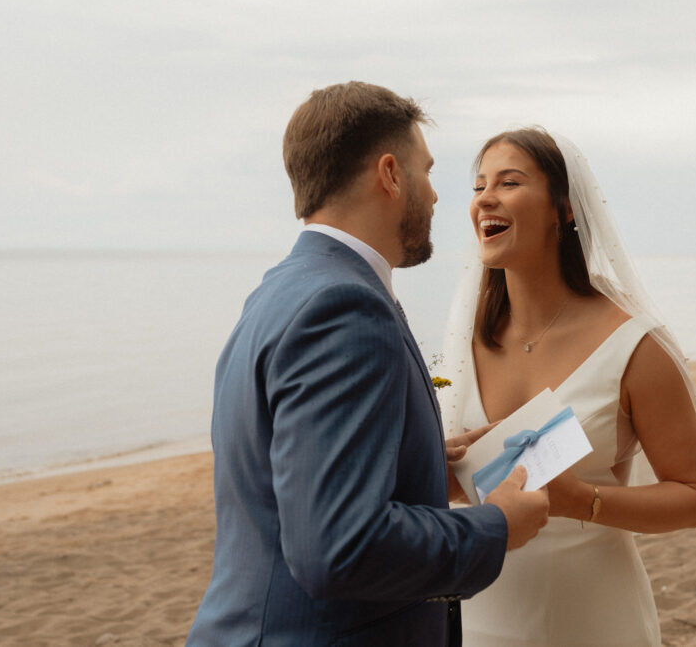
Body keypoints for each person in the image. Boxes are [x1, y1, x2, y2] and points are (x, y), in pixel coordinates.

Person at [185, 83, 549, 647]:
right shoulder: (345, 309)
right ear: (390, 174)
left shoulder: (282, 290)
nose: (434, 196)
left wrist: (424, 462)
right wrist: (496, 526)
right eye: (426, 172)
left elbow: (290, 483)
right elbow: (338, 546)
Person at [437, 128, 696, 646]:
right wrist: (441, 472)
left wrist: (580, 501)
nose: (486, 199)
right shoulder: (463, 340)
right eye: (478, 188)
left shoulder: (635, 346)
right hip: (480, 614)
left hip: (590, 618)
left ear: (563, 208)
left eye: (509, 182)